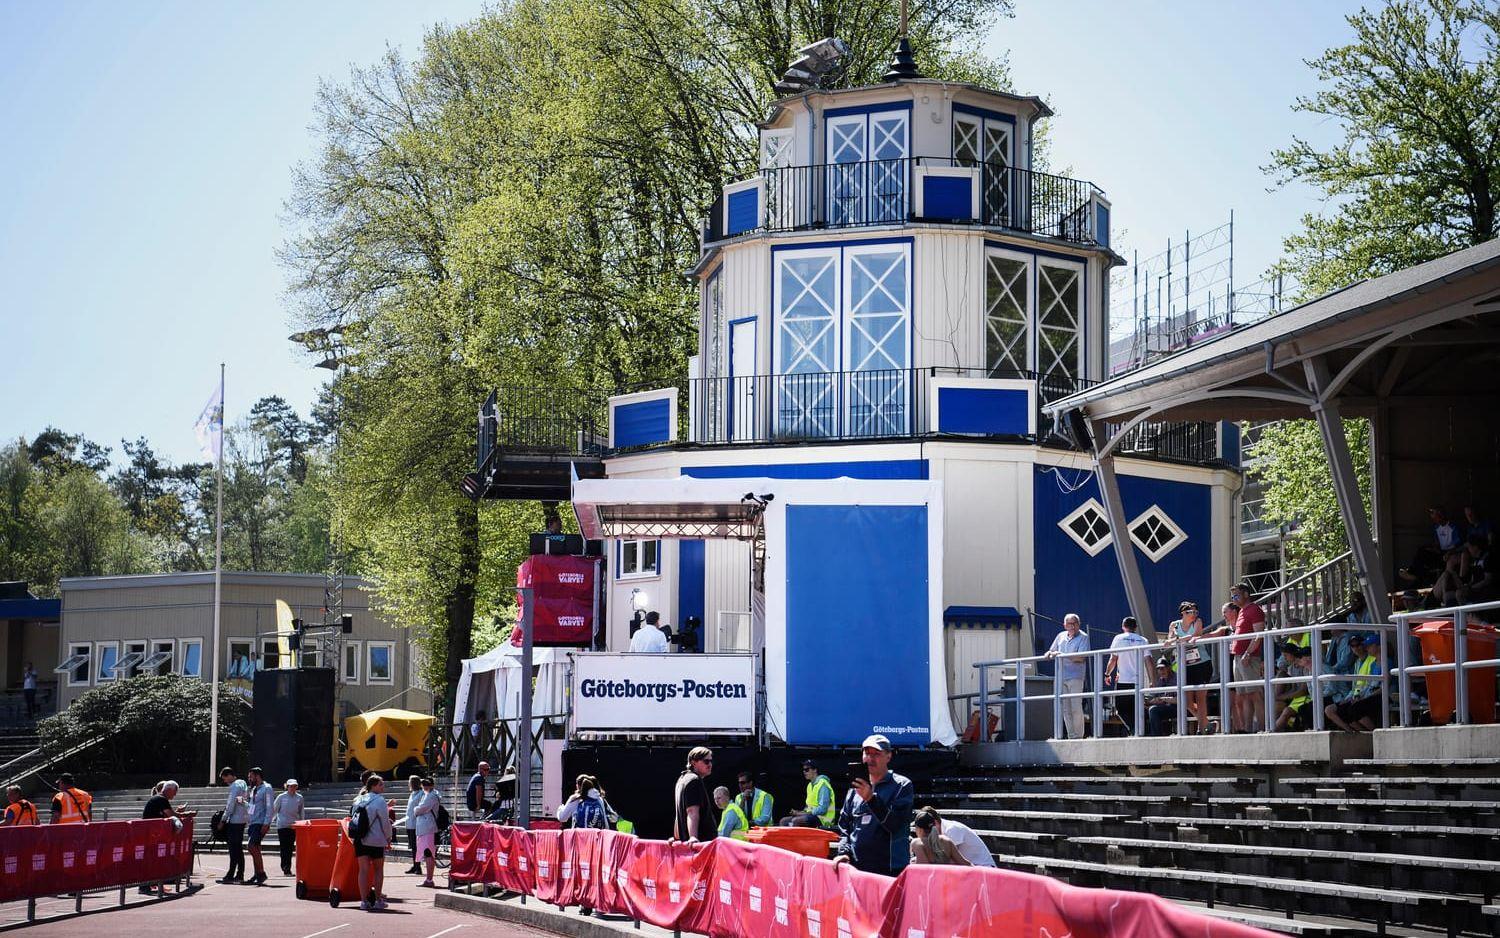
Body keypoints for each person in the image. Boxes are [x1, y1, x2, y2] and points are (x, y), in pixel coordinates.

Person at [835, 735, 914, 876]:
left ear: (888, 756)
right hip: (857, 870)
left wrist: (871, 799)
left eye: (876, 754)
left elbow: (895, 825)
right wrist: (844, 852)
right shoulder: (854, 790)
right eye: (867, 753)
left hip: (889, 871)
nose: (870, 758)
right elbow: (844, 828)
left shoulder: (902, 785)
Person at [1167, 602, 1214, 734]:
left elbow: (1196, 635)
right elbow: (1170, 639)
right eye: (1189, 612)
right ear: (1182, 613)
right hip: (1185, 665)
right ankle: (1206, 723)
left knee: (1200, 697)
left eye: (1195, 612)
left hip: (1201, 663)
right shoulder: (1174, 625)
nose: (1193, 615)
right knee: (1187, 701)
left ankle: (1202, 727)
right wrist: (1174, 639)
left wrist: (1177, 639)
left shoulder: (1197, 622)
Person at [1325, 634, 1385, 732]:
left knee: (1352, 710)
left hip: (1367, 695)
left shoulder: (1373, 660)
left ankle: (1373, 734)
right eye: (1352, 646)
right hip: (1357, 696)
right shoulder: (1357, 662)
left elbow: (1374, 685)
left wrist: (1360, 697)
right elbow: (1355, 686)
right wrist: (1349, 697)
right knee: (1330, 710)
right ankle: (1356, 734)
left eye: (1358, 645)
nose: (1356, 648)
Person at [1227, 584, 1266, 733]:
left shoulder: (1254, 609)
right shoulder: (1242, 611)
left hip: (1248, 658)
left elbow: (1258, 633)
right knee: (1244, 695)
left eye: (1236, 596)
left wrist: (1248, 653)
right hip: (1238, 657)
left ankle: (1263, 728)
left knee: (1255, 694)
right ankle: (1248, 729)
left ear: (1246, 594)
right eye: (1232, 597)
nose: (1234, 599)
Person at [1044, 614, 1090, 739]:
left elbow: (1081, 658)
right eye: (1069, 624)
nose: (1072, 626)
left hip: (1075, 676)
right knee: (1065, 709)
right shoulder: (1060, 636)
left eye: (1074, 623)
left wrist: (1061, 654)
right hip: (1061, 676)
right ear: (1064, 625)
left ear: (1078, 624)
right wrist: (1049, 653)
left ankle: (1079, 736)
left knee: (1076, 707)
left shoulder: (1083, 637)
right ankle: (1071, 735)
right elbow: (1052, 650)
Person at [351, 774, 393, 911]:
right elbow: (385, 822)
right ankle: (377, 899)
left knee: (363, 870)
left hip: (360, 839)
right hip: (376, 839)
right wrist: (388, 837)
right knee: (378, 869)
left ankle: (363, 901)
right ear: (373, 786)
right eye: (380, 784)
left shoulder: (358, 799)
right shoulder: (380, 800)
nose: (383, 787)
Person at [1105, 617, 1151, 734]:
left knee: (1120, 709)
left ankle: (1134, 730)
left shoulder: (1119, 638)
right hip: (1138, 681)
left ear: (1123, 626)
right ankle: (1140, 731)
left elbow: (1113, 659)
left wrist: (1107, 674)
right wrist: (1152, 680)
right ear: (1136, 627)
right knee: (1136, 709)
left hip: (1123, 681)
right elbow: (1149, 661)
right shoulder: (1143, 640)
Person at [909, 806, 993, 867]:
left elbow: (951, 862)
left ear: (919, 829)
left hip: (982, 866)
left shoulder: (952, 830)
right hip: (971, 868)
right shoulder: (945, 839)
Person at [673, 746, 715, 843]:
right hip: (701, 846)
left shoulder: (682, 779)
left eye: (711, 761)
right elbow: (692, 811)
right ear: (693, 762)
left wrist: (676, 838)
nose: (710, 765)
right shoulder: (694, 780)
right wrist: (693, 837)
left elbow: (678, 814)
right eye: (706, 761)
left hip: (692, 845)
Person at [782, 759, 836, 828]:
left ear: (815, 770)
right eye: (803, 770)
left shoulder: (823, 784)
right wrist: (799, 812)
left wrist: (801, 814)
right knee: (783, 821)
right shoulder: (809, 785)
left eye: (807, 769)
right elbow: (808, 807)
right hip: (811, 816)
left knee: (797, 821)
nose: (804, 772)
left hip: (824, 820)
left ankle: (798, 839)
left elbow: (822, 809)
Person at [1273, 645, 1316, 732]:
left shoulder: (1304, 667)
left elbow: (1303, 691)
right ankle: (1279, 729)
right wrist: (1282, 697)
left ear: (1292, 654)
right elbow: (1294, 688)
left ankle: (1272, 733)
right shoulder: (1291, 668)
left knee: (1287, 711)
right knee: (1277, 705)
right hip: (1296, 699)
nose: (1284, 658)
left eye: (1286, 655)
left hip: (1307, 697)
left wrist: (1283, 696)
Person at [218, 767, 249, 883]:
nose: (224, 781)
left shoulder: (235, 786)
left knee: (233, 849)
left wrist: (223, 820)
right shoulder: (243, 783)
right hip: (242, 819)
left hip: (235, 820)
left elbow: (231, 805)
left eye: (225, 778)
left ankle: (232, 873)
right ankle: (239, 873)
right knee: (238, 849)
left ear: (230, 775)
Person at [243, 767, 273, 884]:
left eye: (251, 776)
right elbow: (252, 808)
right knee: (256, 848)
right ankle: (257, 874)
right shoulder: (254, 790)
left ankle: (261, 873)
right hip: (253, 822)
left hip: (260, 822)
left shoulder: (267, 788)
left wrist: (266, 823)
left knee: (251, 846)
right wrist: (243, 803)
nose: (249, 779)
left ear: (257, 776)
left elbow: (270, 807)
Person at [410, 777, 441, 888]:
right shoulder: (429, 795)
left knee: (428, 852)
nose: (425, 787)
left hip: (428, 827)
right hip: (426, 827)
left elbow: (421, 809)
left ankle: (429, 879)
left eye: (426, 785)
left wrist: (416, 810)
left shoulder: (431, 796)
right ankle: (428, 878)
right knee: (427, 852)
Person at [272, 779, 304, 876]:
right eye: (290, 786)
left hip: (293, 826)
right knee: (284, 847)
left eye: (294, 786)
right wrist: (270, 821)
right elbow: (275, 809)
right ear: (287, 786)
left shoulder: (299, 798)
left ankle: (288, 867)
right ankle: (285, 867)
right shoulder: (281, 797)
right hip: (282, 825)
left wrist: (302, 822)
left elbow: (301, 811)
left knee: (290, 848)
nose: (292, 788)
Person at [1145, 658, 1179, 737]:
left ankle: (1156, 737)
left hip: (1177, 708)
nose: (1161, 671)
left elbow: (1180, 700)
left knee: (1153, 710)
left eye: (1163, 668)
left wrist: (1162, 699)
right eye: (1159, 669)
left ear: (1169, 668)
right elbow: (1156, 696)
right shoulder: (1161, 680)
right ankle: (1143, 734)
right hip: (1165, 706)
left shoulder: (1177, 678)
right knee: (1143, 709)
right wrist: (1149, 701)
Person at [403, 775, 424, 874]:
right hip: (410, 823)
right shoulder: (412, 794)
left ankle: (418, 866)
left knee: (416, 846)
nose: (409, 784)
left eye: (410, 782)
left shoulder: (421, 793)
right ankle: (415, 865)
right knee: (413, 846)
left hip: (416, 824)